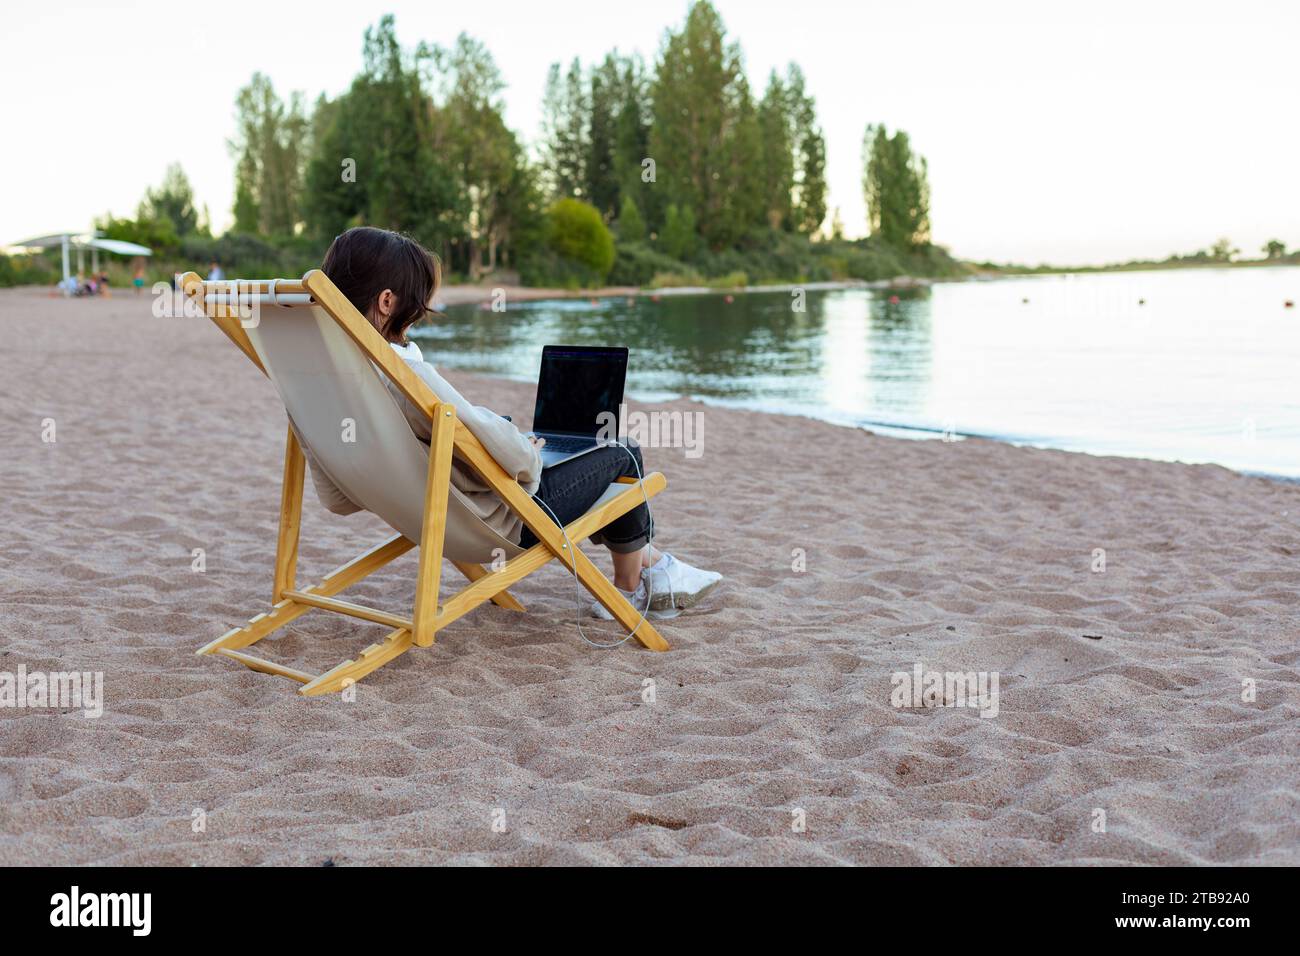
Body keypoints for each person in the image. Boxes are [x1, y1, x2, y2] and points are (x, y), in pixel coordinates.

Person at [302, 226, 722, 618]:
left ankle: (653, 562)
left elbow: (338, 499)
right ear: (388, 302)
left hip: (416, 507)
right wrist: (526, 449)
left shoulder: (322, 373)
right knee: (621, 451)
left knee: (570, 450)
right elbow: (512, 457)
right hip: (498, 519)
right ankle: (630, 585)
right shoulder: (400, 371)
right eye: (415, 305)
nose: (417, 318)